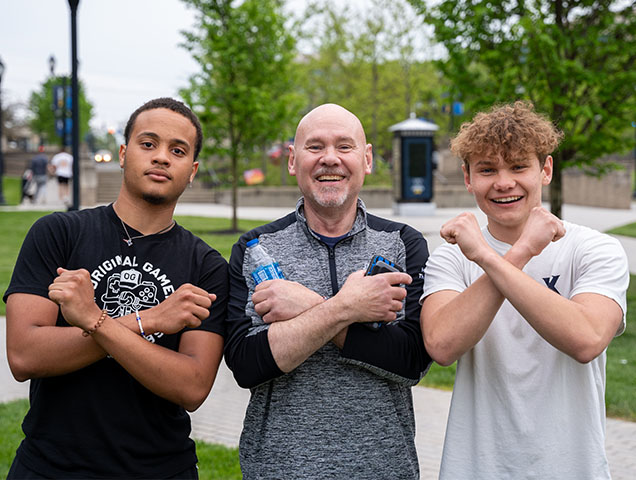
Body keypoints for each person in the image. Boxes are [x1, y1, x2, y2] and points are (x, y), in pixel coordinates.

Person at [4, 97, 229, 479]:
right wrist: (150, 319)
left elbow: (191, 387)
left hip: (161, 469)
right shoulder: (59, 234)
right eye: (148, 143)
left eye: (177, 150)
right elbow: (24, 356)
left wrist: (93, 318)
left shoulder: (206, 267)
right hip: (50, 466)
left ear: (191, 171)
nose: (161, 157)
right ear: (123, 153)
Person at [420, 101, 629, 479]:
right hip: (475, 468)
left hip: (573, 468)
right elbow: (442, 345)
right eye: (487, 169)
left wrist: (491, 256)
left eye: (519, 166)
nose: (504, 182)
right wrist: (516, 254)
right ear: (468, 178)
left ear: (545, 170)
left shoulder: (594, 249)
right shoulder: (450, 259)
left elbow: (586, 339)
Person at [225, 103, 431, 479]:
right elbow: (246, 364)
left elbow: (412, 361)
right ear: (293, 160)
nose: (330, 159)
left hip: (384, 470)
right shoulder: (256, 248)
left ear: (367, 159)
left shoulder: (403, 243)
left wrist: (311, 307)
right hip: (279, 470)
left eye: (344, 146)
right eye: (315, 147)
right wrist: (348, 308)